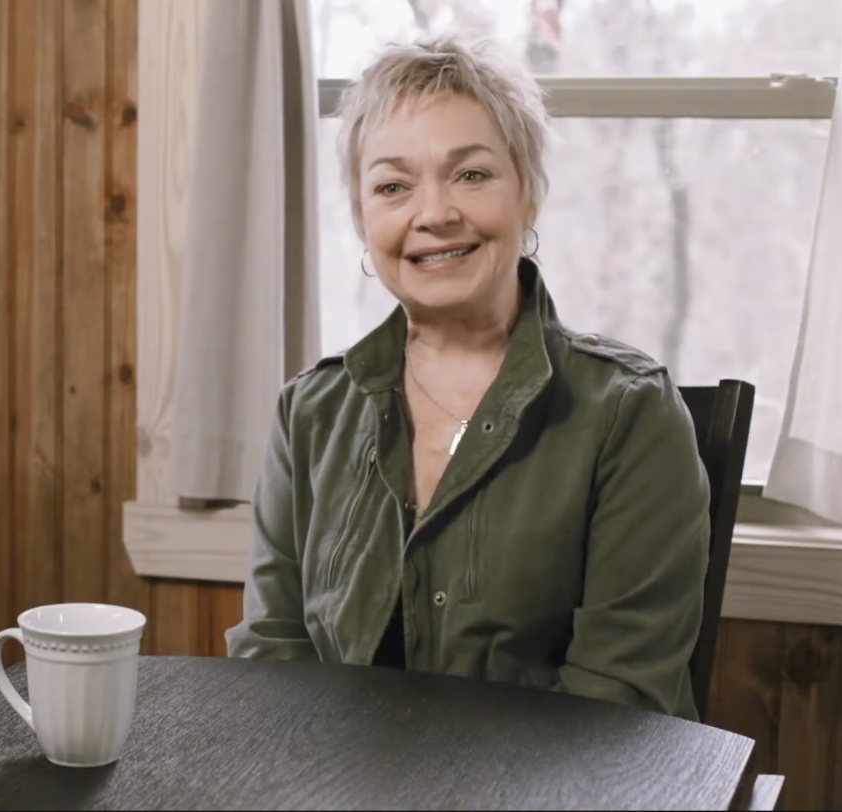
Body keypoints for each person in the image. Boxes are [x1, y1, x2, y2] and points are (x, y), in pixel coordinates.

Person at [224, 35, 711, 722]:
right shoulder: (308, 413)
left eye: (472, 175)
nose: (434, 213)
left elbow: (617, 702)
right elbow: (272, 660)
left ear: (530, 194)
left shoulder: (629, 412)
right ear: (365, 220)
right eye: (393, 186)